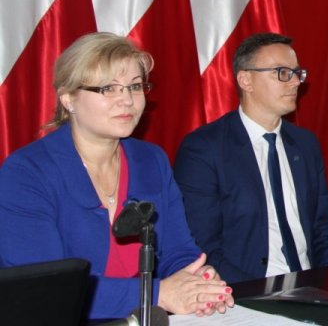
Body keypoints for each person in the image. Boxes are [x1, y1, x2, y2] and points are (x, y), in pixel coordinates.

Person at [0, 33, 233, 320]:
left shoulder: (151, 160)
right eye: (109, 88)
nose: (127, 100)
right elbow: (46, 289)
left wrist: (197, 282)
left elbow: (178, 251)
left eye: (135, 86)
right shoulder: (26, 172)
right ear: (68, 98)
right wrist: (159, 294)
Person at [174, 33, 328, 283]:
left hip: (310, 286)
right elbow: (203, 245)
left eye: (297, 73)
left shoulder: (306, 144)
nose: (295, 82)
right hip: (243, 289)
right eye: (282, 73)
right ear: (246, 80)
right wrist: (258, 293)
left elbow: (324, 229)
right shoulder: (204, 149)